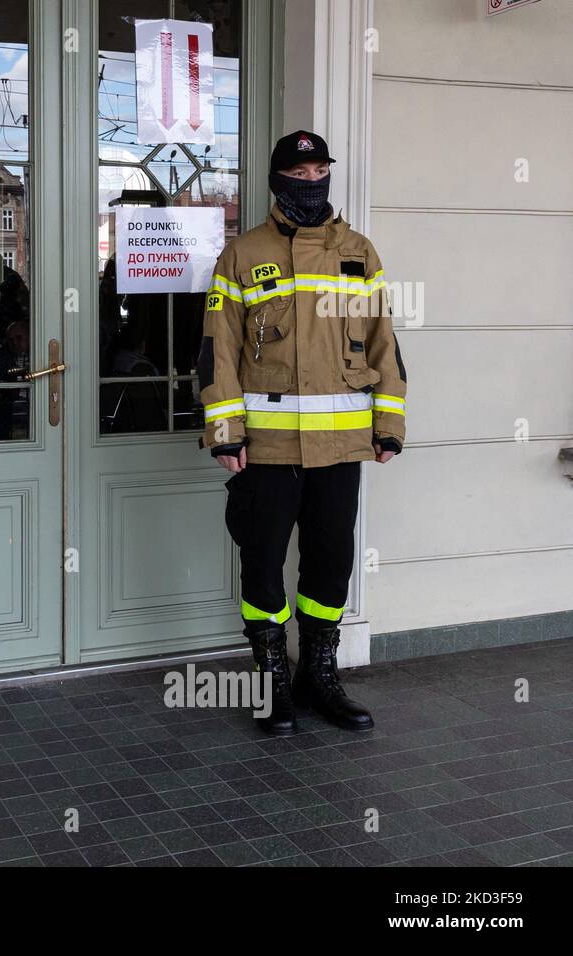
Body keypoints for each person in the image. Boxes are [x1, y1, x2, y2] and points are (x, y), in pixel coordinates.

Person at [197, 130, 406, 737]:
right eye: (301, 174)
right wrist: (226, 434)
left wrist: (388, 425)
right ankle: (270, 677)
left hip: (342, 446)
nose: (312, 183)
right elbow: (219, 352)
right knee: (262, 561)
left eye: (321, 173)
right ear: (278, 180)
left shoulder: (359, 252)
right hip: (265, 448)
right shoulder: (243, 255)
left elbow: (385, 343)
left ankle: (319, 673)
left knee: (330, 562)